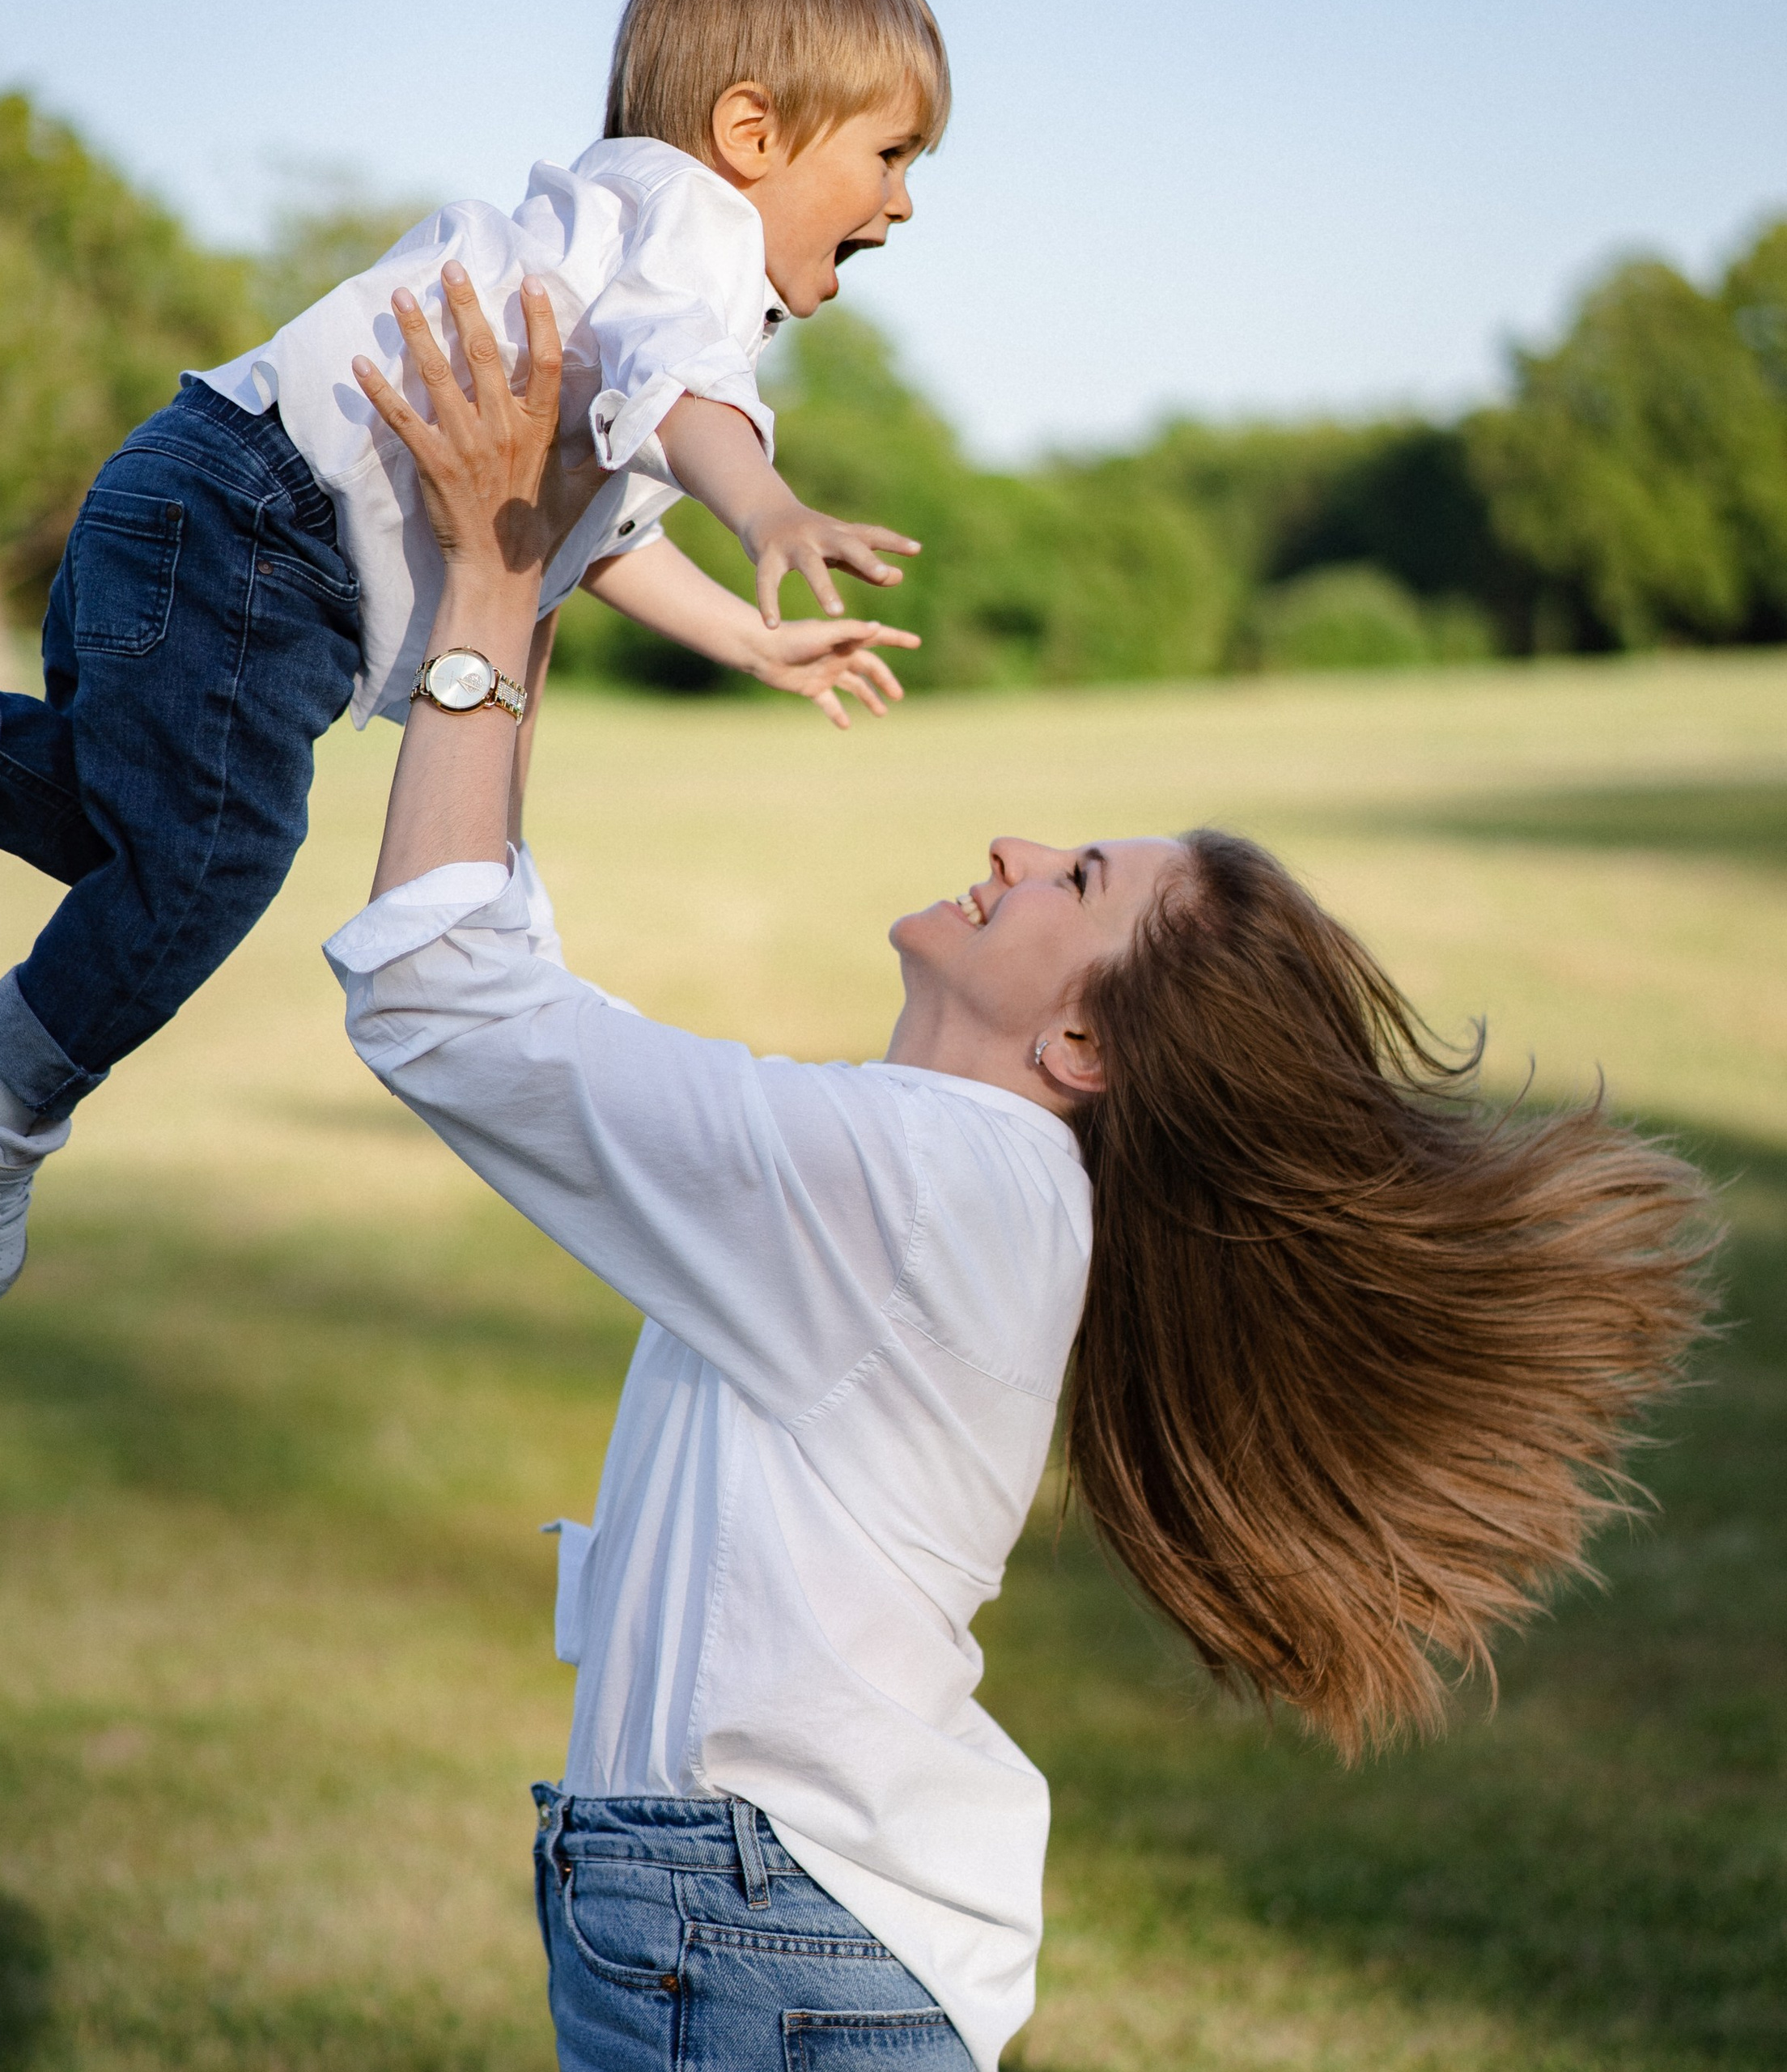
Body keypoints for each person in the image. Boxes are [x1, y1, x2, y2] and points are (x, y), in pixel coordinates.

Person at [327, 275, 1714, 2070]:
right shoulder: (956, 1183)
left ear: (1082, 1047)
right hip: (771, 1920)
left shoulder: (924, 1183)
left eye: (1073, 881)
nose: (1011, 842)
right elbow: (504, 991)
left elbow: (445, 1001)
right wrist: (517, 576)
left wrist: (492, 581)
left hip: (758, 1924)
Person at [0, 0, 944, 1308]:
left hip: (194, 478)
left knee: (131, 839)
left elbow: (583, 538)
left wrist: (753, 640)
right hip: (271, 528)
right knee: (215, 860)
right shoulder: (693, 226)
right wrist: (768, 506)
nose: (905, 205)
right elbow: (689, 400)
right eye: (892, 156)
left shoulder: (616, 260)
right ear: (750, 131)